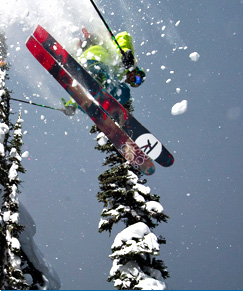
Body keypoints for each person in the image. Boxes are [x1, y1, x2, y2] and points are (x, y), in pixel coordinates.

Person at [62, 28, 146, 116]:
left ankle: (96, 107)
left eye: (135, 83)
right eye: (137, 78)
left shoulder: (119, 77)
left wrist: (72, 105)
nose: (133, 79)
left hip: (84, 65)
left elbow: (81, 88)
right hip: (96, 60)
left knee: (122, 93)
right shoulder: (127, 62)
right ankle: (101, 99)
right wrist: (126, 53)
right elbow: (124, 36)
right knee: (123, 92)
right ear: (137, 71)